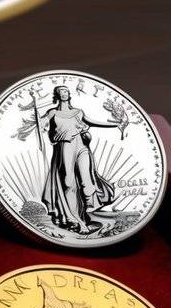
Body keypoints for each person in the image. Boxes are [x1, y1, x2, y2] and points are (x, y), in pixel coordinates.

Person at [40, 85, 117, 233]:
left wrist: (113, 124)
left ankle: (87, 210)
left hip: (82, 146)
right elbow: (49, 134)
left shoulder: (78, 112)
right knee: (69, 182)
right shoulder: (52, 113)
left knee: (87, 181)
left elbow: (93, 122)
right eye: (62, 91)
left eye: (67, 91)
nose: (65, 93)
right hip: (65, 147)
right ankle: (75, 219)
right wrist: (45, 128)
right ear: (57, 95)